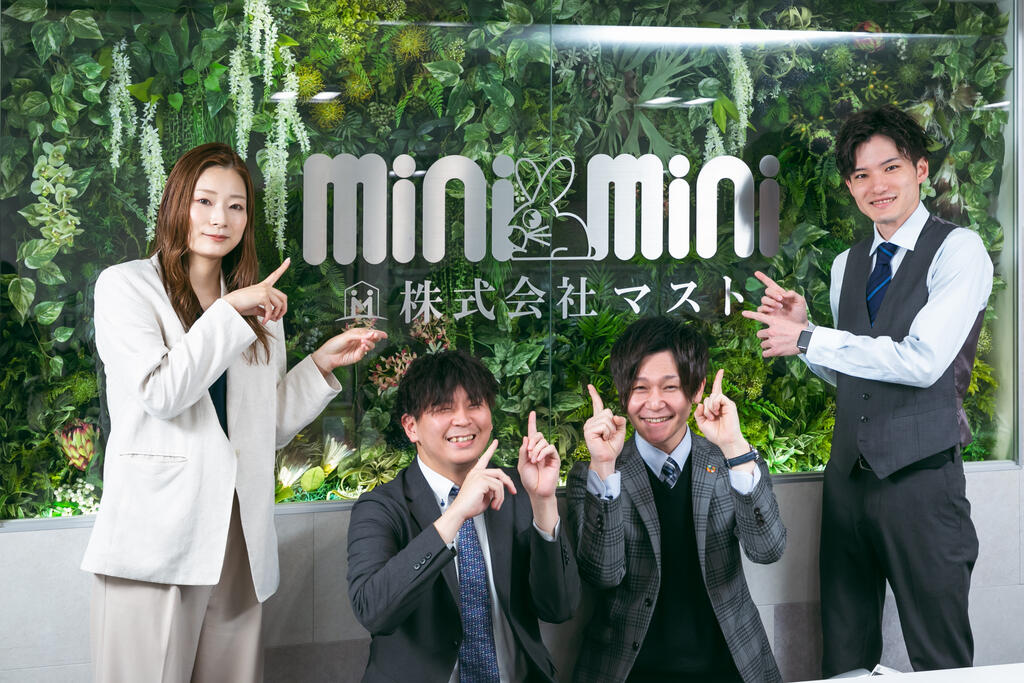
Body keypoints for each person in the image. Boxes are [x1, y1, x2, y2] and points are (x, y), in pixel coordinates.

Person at [82, 142, 386, 682]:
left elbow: (265, 427)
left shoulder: (257, 308)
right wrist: (229, 310)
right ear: (176, 203)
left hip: (238, 537)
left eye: (236, 206)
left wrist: (320, 364)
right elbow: (162, 393)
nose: (220, 218)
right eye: (204, 201)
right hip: (155, 536)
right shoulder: (127, 287)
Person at [742, 104, 992, 675]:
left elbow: (922, 361)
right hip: (847, 482)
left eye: (891, 167)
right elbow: (856, 371)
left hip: (922, 483)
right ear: (850, 187)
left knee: (941, 657)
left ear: (921, 170)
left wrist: (812, 339)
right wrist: (805, 334)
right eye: (861, 174)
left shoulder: (959, 251)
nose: (877, 185)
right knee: (844, 651)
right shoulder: (846, 264)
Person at [567, 316, 785, 683]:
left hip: (729, 668)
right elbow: (602, 574)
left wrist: (735, 447)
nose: (654, 403)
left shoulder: (732, 460)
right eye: (639, 388)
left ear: (696, 389)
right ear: (622, 393)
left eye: (670, 387)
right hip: (631, 672)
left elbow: (768, 550)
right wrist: (604, 466)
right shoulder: (593, 473)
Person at [347, 349, 580, 683]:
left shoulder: (515, 489)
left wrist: (543, 501)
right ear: (411, 427)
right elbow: (373, 612)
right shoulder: (380, 506)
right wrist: (456, 513)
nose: (463, 419)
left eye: (474, 404)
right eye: (443, 408)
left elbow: (559, 608)